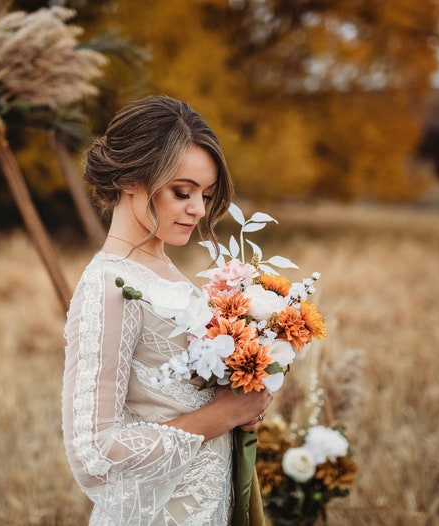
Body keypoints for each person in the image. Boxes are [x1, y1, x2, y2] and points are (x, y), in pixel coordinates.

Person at [61, 95, 273, 525]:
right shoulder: (108, 287)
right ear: (132, 179)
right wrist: (223, 414)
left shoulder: (166, 271)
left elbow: (173, 402)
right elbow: (93, 452)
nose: (198, 209)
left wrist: (242, 404)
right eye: (183, 192)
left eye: (206, 194)